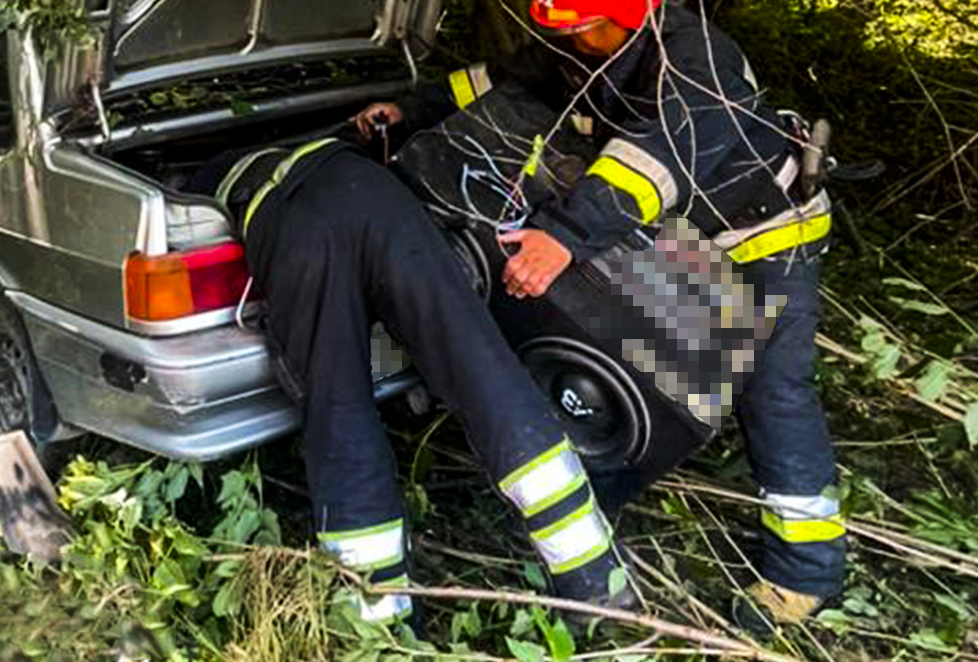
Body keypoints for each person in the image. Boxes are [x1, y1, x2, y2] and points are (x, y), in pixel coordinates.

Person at [353, 0, 845, 636]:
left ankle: (806, 573)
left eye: (585, 27)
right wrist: (415, 107)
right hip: (689, 235)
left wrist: (566, 236)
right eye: (567, 28)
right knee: (653, 341)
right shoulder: (587, 45)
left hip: (771, 235)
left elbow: (653, 160)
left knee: (771, 385)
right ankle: (641, 447)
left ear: (632, 11)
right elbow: (504, 80)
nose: (573, 40)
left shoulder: (700, 61)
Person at [186, 137, 640, 634]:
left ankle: (383, 626)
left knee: (339, 411)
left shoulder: (206, 180)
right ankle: (599, 583)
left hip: (294, 224)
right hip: (370, 190)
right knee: (481, 366)